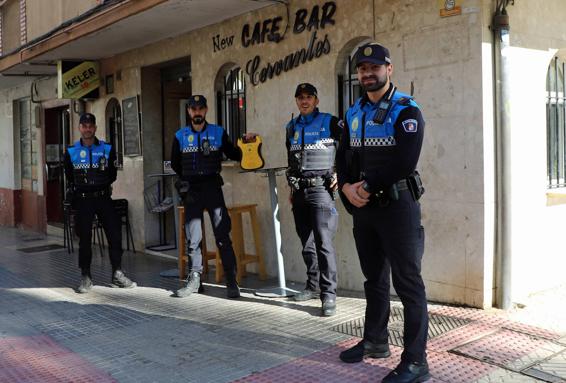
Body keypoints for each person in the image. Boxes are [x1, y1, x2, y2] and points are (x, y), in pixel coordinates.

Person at [336, 42, 429, 383]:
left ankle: (417, 362)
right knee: (374, 280)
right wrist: (346, 188)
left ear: (389, 69)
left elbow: (405, 162)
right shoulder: (353, 113)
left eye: (374, 67)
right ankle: (375, 341)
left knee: (408, 285)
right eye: (362, 69)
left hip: (397, 208)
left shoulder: (406, 110)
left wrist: (366, 185)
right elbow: (342, 159)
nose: (368, 73)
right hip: (365, 209)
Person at [171, 95, 255, 299]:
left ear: (206, 110)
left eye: (200, 108)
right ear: (189, 112)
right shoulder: (180, 135)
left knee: (222, 236)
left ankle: (231, 281)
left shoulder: (218, 132)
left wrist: (246, 143)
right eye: (193, 109)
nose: (197, 112)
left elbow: (235, 154)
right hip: (192, 190)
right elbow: (175, 163)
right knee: (193, 237)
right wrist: (187, 180)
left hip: (212, 188)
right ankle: (194, 280)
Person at [285, 83, 342, 317]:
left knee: (323, 243)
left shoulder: (330, 122)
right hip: (299, 191)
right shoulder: (291, 126)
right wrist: (290, 188)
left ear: (316, 100)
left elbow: (348, 146)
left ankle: (328, 294)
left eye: (309, 97)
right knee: (306, 242)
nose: (304, 101)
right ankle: (312, 285)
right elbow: (291, 158)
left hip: (321, 189)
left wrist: (342, 173)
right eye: (300, 98)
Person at [64, 112, 136, 294]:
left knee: (114, 233)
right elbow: (69, 175)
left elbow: (112, 174)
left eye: (90, 126)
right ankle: (86, 276)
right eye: (84, 126)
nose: (87, 129)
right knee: (85, 239)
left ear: (95, 128)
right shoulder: (71, 151)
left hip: (103, 198)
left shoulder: (107, 149)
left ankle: (117, 273)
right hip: (83, 200)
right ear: (79, 128)